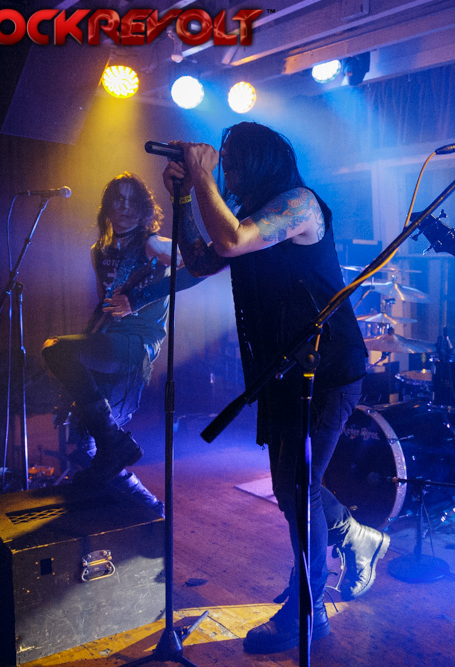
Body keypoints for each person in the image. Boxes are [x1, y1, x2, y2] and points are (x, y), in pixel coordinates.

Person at [162, 122, 390, 654]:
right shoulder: (250, 215)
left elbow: (230, 241)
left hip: (327, 368)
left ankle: (309, 613)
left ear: (258, 159)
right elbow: (201, 260)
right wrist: (184, 197)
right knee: (291, 488)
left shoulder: (299, 204)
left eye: (230, 160)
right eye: (221, 162)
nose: (225, 170)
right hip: (284, 370)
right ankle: (356, 537)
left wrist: (200, 176)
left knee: (296, 488)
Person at [42, 172, 198, 508]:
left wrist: (139, 300)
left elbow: (198, 269)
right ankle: (147, 506)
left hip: (137, 343)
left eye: (132, 199)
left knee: (55, 350)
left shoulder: (154, 244)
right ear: (107, 207)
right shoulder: (99, 251)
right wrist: (80, 354)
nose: (125, 206)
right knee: (86, 442)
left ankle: (119, 452)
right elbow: (104, 306)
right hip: (107, 341)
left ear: (143, 208)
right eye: (119, 198)